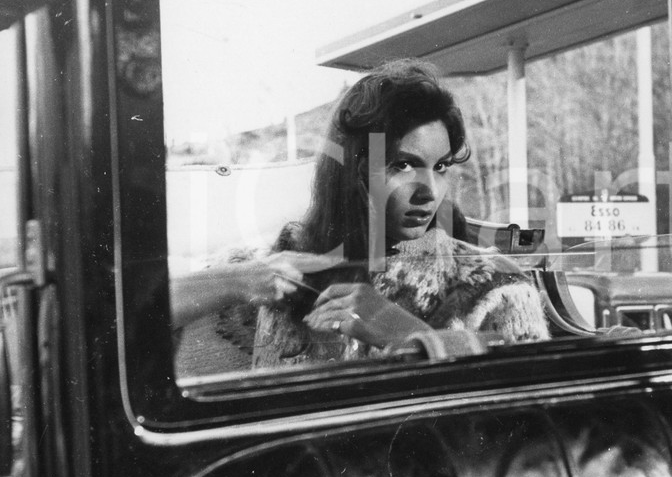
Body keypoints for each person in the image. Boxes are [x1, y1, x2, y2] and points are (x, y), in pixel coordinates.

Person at [172, 59, 549, 372]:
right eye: (403, 165)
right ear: (354, 170)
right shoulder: (280, 264)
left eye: (441, 167)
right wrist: (234, 281)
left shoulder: (497, 287)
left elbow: (535, 422)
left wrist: (411, 336)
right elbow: (128, 316)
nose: (429, 192)